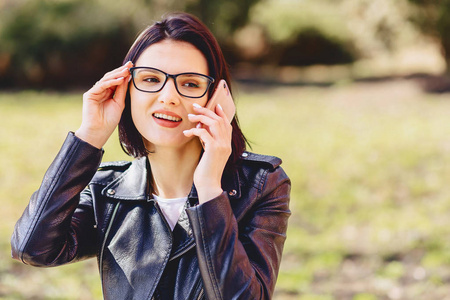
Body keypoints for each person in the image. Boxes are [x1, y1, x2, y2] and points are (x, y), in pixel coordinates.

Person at [11, 12, 291, 300]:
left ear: (218, 97)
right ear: (125, 89)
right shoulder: (107, 191)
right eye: (150, 79)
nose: (168, 96)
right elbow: (32, 248)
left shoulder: (261, 185)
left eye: (190, 84)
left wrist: (209, 189)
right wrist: (89, 136)